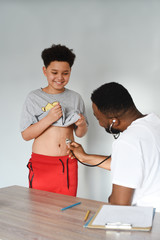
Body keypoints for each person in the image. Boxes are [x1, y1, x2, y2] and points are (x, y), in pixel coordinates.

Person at [68, 82, 160, 211]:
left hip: (149, 221)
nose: (100, 124)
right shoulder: (154, 122)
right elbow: (132, 164)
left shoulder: (128, 141)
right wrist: (85, 157)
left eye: (98, 118)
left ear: (114, 122)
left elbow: (119, 205)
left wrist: (111, 199)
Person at [20, 44, 88, 196]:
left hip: (67, 162)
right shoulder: (34, 97)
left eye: (65, 73)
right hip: (42, 164)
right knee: (40, 210)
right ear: (45, 71)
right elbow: (26, 135)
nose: (59, 78)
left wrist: (82, 124)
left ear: (70, 72)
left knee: (67, 209)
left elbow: (80, 133)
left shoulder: (75, 98)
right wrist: (49, 118)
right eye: (54, 72)